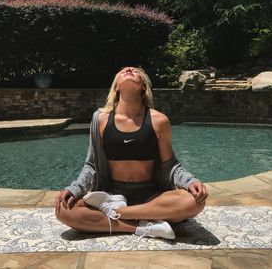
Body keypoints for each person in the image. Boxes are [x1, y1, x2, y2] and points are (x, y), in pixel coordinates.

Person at [55, 66, 208, 239]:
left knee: (195, 201)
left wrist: (190, 181)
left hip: (151, 195)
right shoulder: (100, 119)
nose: (128, 69)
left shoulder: (159, 120)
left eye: (135, 71)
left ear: (143, 86)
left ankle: (120, 213)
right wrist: (75, 188)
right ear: (116, 87)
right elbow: (91, 165)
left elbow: (170, 165)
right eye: (122, 71)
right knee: (63, 209)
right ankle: (140, 226)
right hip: (112, 194)